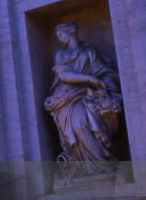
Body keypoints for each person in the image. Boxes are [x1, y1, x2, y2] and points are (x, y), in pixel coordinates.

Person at [43, 22, 122, 172]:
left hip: (88, 95)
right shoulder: (61, 54)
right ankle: (89, 167)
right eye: (57, 37)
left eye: (60, 35)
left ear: (69, 33)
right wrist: (91, 79)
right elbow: (63, 74)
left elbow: (105, 72)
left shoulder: (90, 52)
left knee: (90, 124)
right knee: (78, 125)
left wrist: (102, 84)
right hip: (65, 99)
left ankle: (102, 163)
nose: (59, 39)